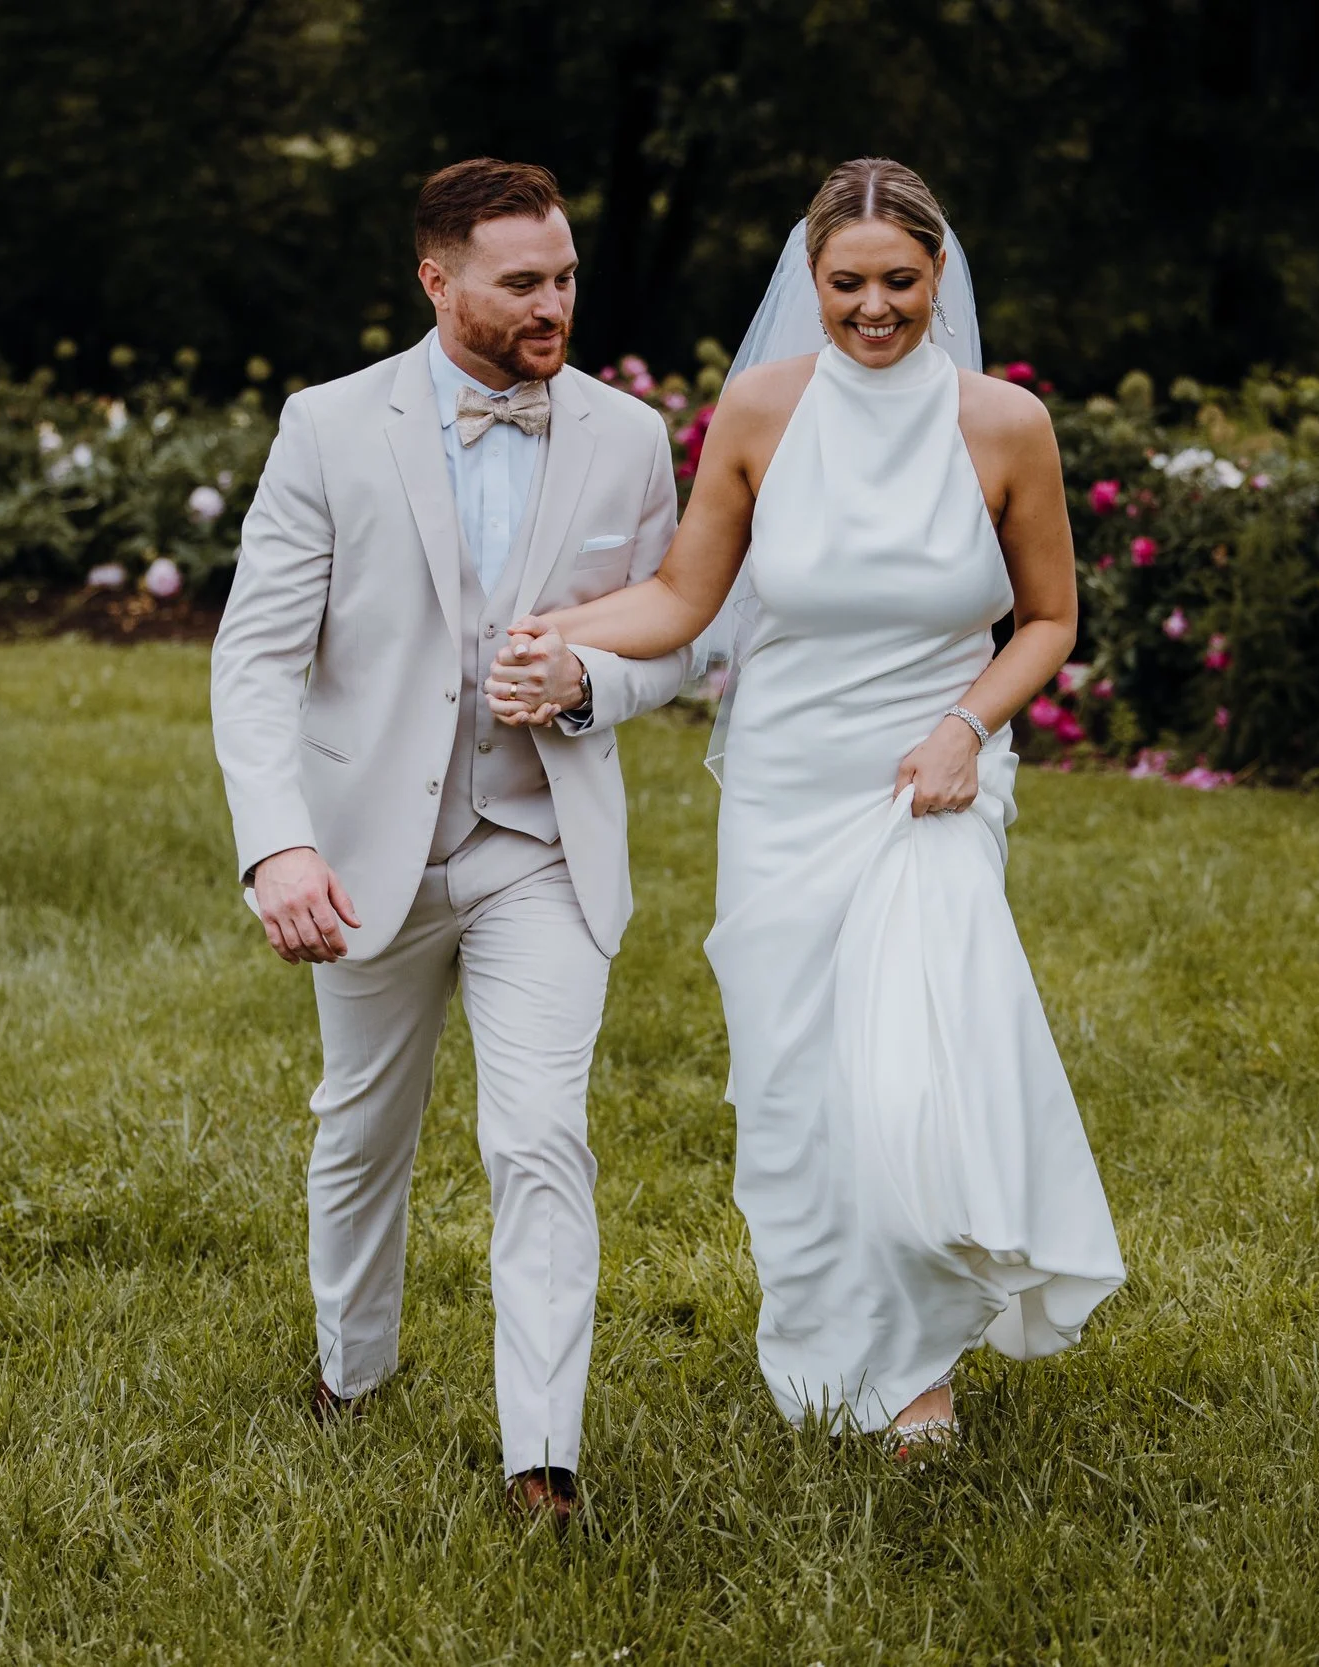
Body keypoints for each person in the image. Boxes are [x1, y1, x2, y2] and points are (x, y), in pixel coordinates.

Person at [486, 158, 1124, 1452]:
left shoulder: (1004, 424)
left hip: (929, 786)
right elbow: (686, 598)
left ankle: (922, 1364)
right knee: (794, 1088)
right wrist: (549, 628)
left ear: (940, 276)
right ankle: (834, 1344)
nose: (874, 308)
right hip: (782, 786)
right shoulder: (764, 409)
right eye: (848, 284)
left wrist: (965, 729)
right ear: (812, 282)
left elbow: (1050, 617)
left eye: (900, 282)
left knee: (914, 1078)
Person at [210, 158, 691, 1523]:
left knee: (540, 1135)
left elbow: (676, 632)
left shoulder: (626, 437)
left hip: (540, 838)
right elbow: (253, 660)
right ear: (438, 281)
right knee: (363, 1126)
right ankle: (350, 1370)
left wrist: (596, 683)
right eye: (522, 282)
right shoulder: (327, 426)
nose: (555, 304)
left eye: (567, 277)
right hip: (366, 846)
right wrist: (277, 846)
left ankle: (543, 1456)